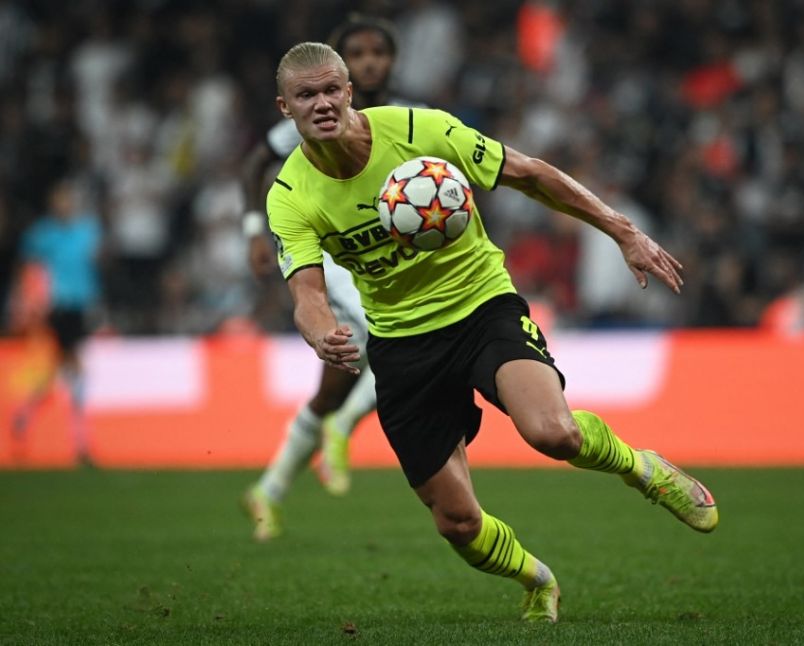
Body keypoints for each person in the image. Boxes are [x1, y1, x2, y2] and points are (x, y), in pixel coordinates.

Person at [266, 42, 718, 623]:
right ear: (286, 107)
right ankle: (536, 579)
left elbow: (530, 174)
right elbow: (307, 295)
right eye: (307, 95)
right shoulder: (290, 196)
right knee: (456, 523)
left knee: (554, 433)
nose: (323, 103)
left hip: (482, 307)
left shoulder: (418, 129)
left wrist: (621, 230)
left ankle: (644, 470)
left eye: (333, 90)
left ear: (350, 92)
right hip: (402, 343)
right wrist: (322, 332)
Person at [242, 15, 410, 541]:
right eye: (356, 52)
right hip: (335, 247)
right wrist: (253, 229)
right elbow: (255, 164)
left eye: (377, 52)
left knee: (333, 389)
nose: (369, 60)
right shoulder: (316, 110)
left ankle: (268, 490)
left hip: (394, 251)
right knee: (392, 335)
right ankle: (342, 430)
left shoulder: (411, 116)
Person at [11, 179, 102, 466]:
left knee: (59, 372)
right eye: (60, 200)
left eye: (68, 200)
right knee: (75, 370)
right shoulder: (43, 234)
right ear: (53, 205)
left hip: (82, 305)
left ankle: (24, 416)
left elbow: (95, 263)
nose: (65, 205)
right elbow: (27, 267)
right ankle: (81, 444)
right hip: (59, 306)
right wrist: (28, 301)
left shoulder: (87, 230)